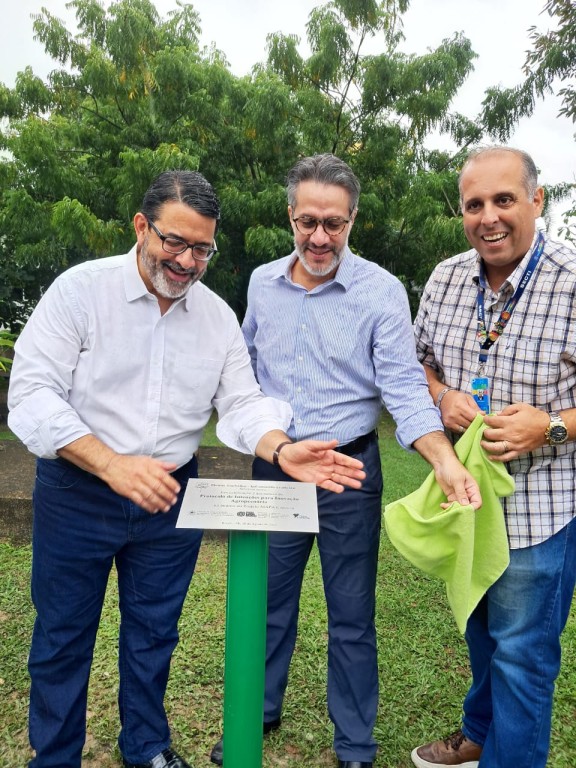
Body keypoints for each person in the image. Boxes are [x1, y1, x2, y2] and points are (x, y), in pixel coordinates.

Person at [7, 170, 368, 768]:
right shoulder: (81, 292)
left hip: (170, 495)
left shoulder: (216, 317)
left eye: (202, 248)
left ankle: (146, 746)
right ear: (141, 227)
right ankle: (56, 758)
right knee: (63, 635)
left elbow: (243, 401)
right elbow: (32, 393)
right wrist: (111, 465)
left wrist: (281, 449)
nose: (186, 261)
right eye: (174, 241)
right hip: (78, 490)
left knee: (154, 632)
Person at [210, 153, 482, 768]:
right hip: (279, 467)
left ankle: (355, 744)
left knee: (352, 617)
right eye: (307, 221)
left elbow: (403, 386)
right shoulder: (262, 283)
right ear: (290, 216)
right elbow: (241, 368)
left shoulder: (381, 290)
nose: (319, 237)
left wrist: (442, 459)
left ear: (353, 219)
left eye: (333, 223)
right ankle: (256, 710)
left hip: (348, 473)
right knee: (265, 603)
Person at [411, 146, 576, 768]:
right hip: (467, 499)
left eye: (504, 199)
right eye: (474, 204)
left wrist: (550, 427)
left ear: (536, 199)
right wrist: (442, 395)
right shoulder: (448, 277)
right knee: (480, 633)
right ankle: (479, 733)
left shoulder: (571, 279)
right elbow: (416, 364)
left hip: (541, 508)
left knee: (521, 657)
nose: (489, 217)